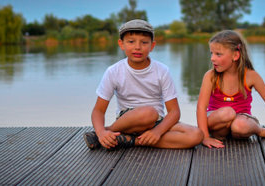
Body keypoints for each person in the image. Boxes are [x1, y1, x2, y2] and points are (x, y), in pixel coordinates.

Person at [84, 19, 203, 150]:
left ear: (152, 46)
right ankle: (109, 131)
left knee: (196, 135)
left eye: (144, 42)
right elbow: (98, 110)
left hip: (156, 122)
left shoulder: (162, 70)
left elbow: (174, 112)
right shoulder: (114, 71)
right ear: (121, 44)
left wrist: (157, 132)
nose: (137, 47)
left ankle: (130, 140)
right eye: (131, 41)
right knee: (148, 113)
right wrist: (102, 132)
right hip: (127, 122)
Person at [196, 30, 265, 148]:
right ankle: (257, 131)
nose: (212, 58)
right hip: (217, 123)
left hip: (241, 122)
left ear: (235, 55)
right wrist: (204, 137)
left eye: (218, 54)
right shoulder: (210, 76)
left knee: (239, 125)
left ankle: (260, 131)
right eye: (211, 53)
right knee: (227, 113)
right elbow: (201, 107)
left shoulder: (251, 76)